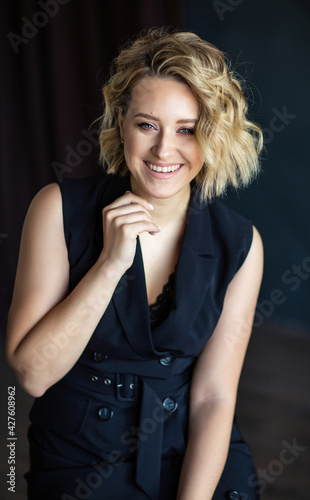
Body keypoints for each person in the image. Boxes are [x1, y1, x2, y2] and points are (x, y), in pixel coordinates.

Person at [6, 28, 264, 500]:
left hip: (192, 451)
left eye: (187, 129)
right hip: (79, 453)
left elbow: (213, 397)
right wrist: (109, 264)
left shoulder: (240, 243)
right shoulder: (57, 209)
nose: (164, 151)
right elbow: (32, 375)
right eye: (147, 125)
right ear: (120, 121)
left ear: (213, 135)